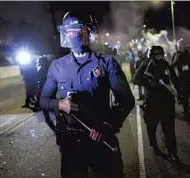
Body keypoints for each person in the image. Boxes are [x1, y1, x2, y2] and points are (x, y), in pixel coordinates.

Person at [40, 11, 135, 178]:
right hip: (71, 144)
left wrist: (107, 125)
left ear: (88, 31)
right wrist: (59, 104)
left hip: (101, 140)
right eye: (69, 31)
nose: (73, 35)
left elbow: (126, 100)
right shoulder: (57, 66)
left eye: (78, 30)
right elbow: (43, 99)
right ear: (64, 34)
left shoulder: (106, 63)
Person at [133, 46, 179, 163]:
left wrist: (179, 91)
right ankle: (154, 146)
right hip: (152, 103)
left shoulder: (165, 64)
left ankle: (173, 153)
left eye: (160, 54)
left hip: (167, 102)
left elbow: (174, 78)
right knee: (151, 127)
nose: (159, 56)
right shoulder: (146, 65)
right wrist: (150, 83)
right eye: (156, 54)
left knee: (169, 130)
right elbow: (136, 79)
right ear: (152, 55)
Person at [173, 46, 190, 116]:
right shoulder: (181, 56)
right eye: (189, 50)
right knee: (184, 94)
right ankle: (185, 109)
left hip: (189, 78)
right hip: (183, 78)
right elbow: (176, 65)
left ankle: (187, 107)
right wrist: (187, 67)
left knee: (187, 94)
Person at [36, 55, 56, 132]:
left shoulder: (42, 70)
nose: (38, 62)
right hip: (48, 94)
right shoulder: (49, 69)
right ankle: (58, 129)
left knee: (48, 115)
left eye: (39, 61)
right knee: (53, 113)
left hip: (46, 94)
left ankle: (57, 130)